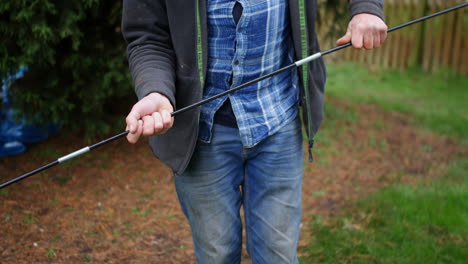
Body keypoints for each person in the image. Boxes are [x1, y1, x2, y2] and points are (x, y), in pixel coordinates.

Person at [122, 0, 387, 263]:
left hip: (278, 118)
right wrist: (155, 89)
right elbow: (148, 36)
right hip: (200, 133)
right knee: (217, 255)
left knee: (277, 255)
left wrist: (366, 8)